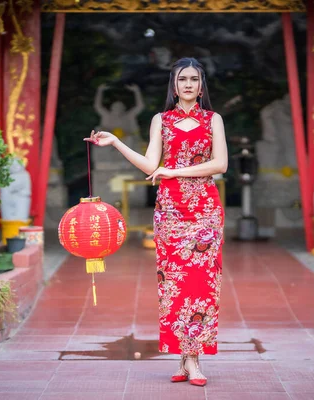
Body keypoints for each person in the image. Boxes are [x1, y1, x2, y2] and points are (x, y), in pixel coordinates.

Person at [85, 57, 227, 387]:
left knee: (201, 285)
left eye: (194, 79)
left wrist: (173, 171)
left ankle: (193, 359)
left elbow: (220, 164)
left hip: (205, 211)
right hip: (171, 213)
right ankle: (184, 356)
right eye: (182, 79)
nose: (188, 84)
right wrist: (117, 142)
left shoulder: (213, 120)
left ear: (201, 85)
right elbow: (150, 163)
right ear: (174, 86)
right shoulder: (160, 120)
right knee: (173, 285)